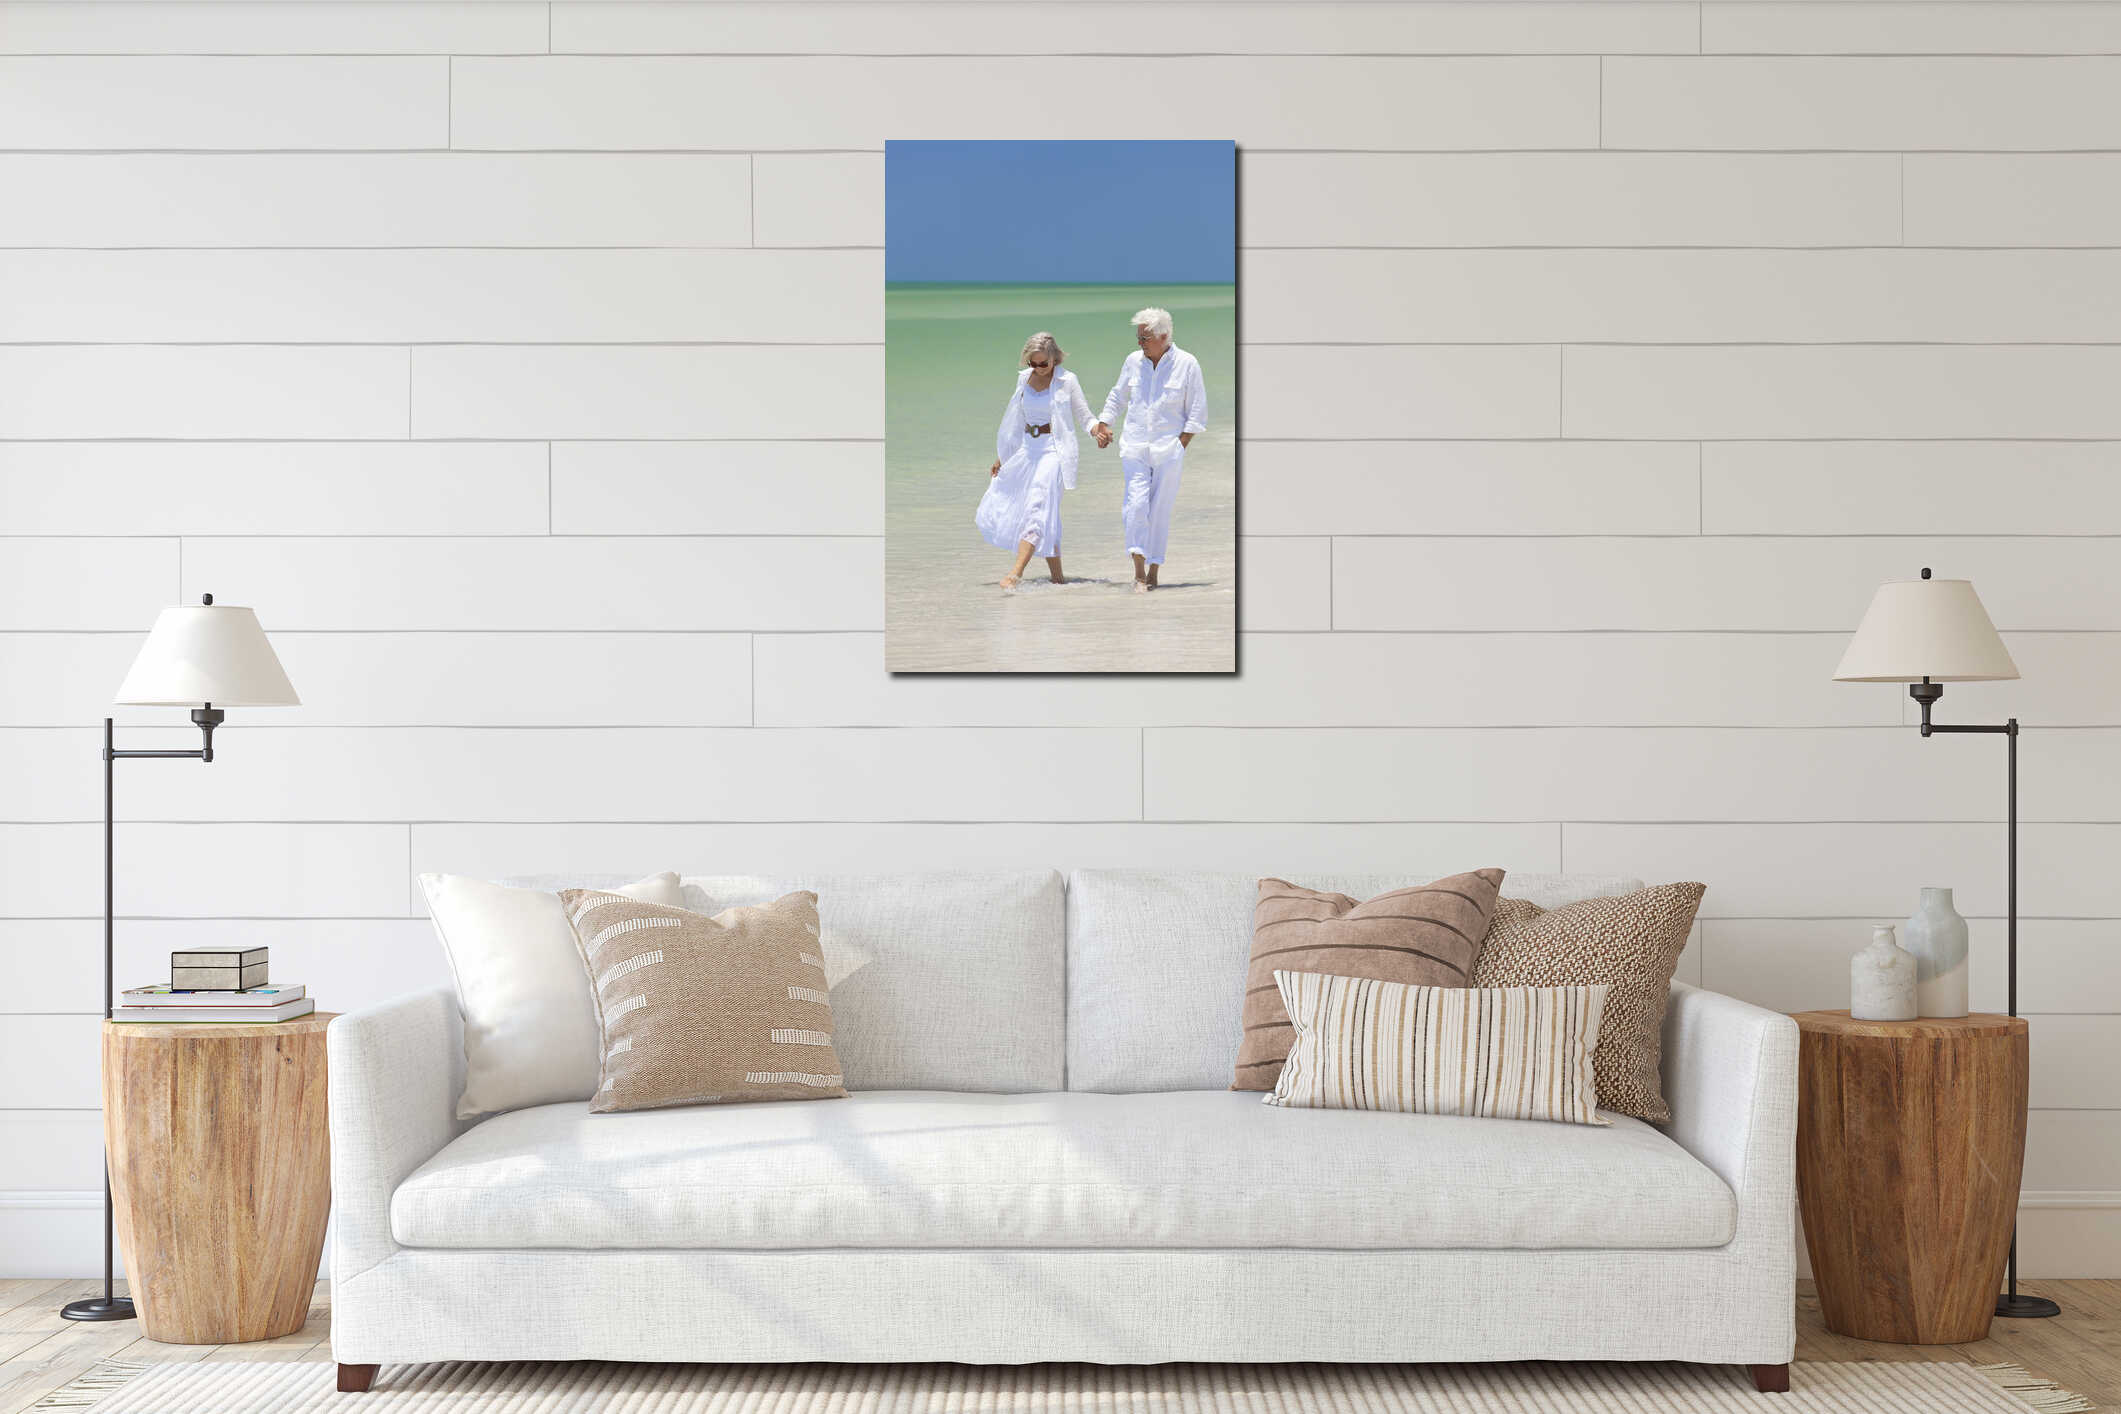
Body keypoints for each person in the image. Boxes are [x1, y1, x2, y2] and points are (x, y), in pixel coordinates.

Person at [1092, 307, 1208, 592]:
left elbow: (1197, 412)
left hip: (1169, 450)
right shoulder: (1133, 361)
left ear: (1164, 336)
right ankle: (1139, 573)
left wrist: (1179, 446)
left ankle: (1154, 569)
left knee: (1159, 511)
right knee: (1135, 506)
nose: (1140, 343)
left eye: (1145, 338)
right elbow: (1118, 395)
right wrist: (1104, 423)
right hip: (1134, 446)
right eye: (1138, 338)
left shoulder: (1187, 363)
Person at [976, 331, 1100, 590]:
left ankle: (1016, 573)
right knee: (1046, 512)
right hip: (1027, 449)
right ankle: (1057, 579)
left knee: (1037, 505)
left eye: (1044, 363)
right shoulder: (1023, 379)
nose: (1038, 369)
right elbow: (1016, 420)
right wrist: (1003, 457)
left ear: (1054, 359)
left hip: (1054, 450)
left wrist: (1097, 430)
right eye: (1033, 363)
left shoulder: (1068, 380)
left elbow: (1084, 416)